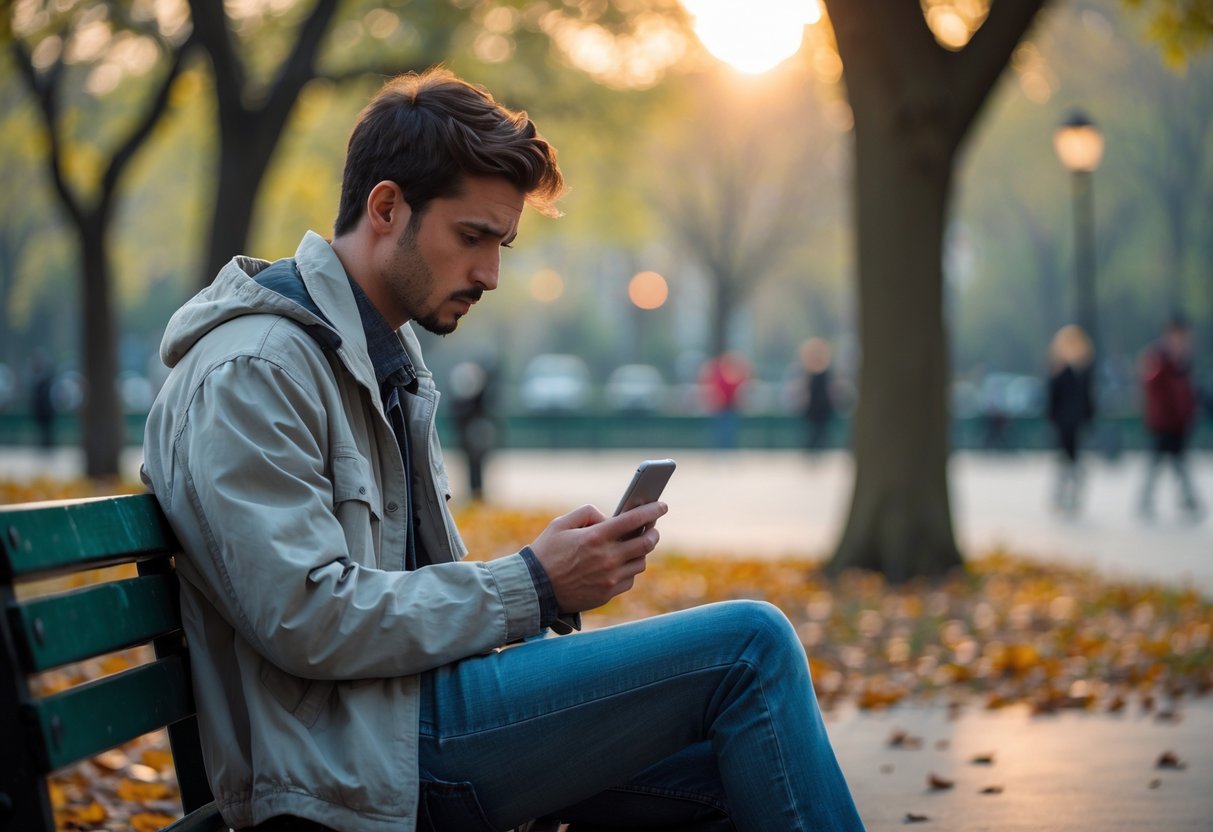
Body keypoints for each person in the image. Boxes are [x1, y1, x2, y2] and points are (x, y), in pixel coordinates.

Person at [141, 69, 865, 832]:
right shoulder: (255, 369)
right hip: (352, 764)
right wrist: (531, 584)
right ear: (386, 207)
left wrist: (546, 582)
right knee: (750, 647)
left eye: (501, 244)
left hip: (403, 721)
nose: (489, 273)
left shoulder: (378, 355)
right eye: (472, 237)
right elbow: (305, 615)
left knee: (741, 763)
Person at [1138, 316, 1203, 519]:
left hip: (1179, 422)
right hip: (1163, 421)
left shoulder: (1183, 360)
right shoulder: (1159, 357)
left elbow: (1188, 391)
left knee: (1177, 462)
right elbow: (1150, 382)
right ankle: (1148, 499)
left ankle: (1186, 498)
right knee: (1159, 462)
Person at [1045, 325, 1095, 514]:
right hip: (1064, 423)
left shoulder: (1083, 372)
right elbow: (1053, 399)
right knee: (1066, 461)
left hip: (1077, 422)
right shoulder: (1060, 371)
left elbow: (1088, 399)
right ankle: (1063, 495)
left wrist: (1089, 418)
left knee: (1071, 462)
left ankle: (1070, 495)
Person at [448, 357, 499, 500]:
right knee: (472, 466)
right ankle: (475, 492)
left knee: (477, 466)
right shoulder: (472, 395)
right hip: (470, 434)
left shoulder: (475, 395)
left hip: (473, 434)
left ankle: (477, 492)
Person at [699, 351, 750, 450]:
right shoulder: (720, 375)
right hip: (721, 409)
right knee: (721, 432)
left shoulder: (731, 376)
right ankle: (720, 450)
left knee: (728, 432)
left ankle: (727, 450)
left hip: (729, 408)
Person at [797, 337, 836, 454]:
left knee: (818, 431)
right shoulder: (813, 372)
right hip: (818, 406)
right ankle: (813, 449)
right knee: (817, 431)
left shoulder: (818, 372)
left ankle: (814, 449)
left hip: (820, 406)